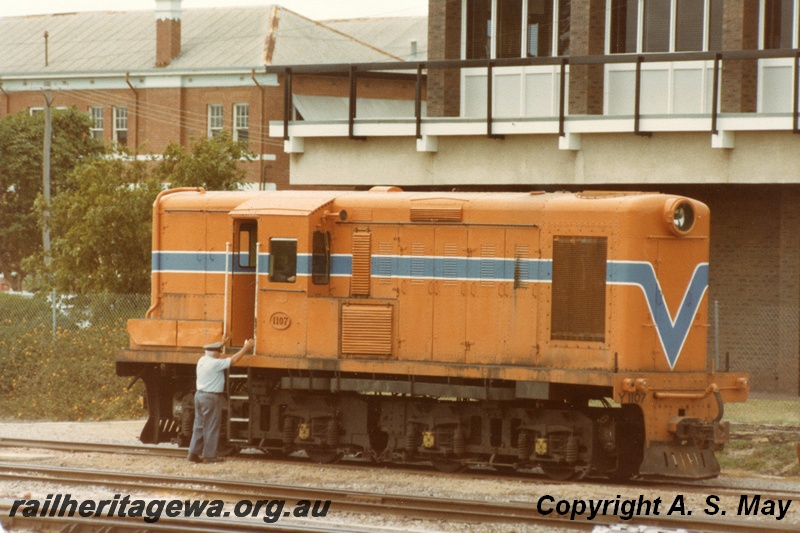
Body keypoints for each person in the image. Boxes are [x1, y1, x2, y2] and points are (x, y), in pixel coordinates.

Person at [187, 337, 254, 464]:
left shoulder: (202, 360)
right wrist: (245, 348)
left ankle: (193, 453)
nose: (220, 354)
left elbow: (214, 353)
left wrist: (221, 343)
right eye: (219, 351)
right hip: (211, 398)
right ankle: (209, 456)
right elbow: (233, 360)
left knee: (199, 426)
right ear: (215, 353)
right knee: (211, 426)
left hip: (199, 396)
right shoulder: (215, 363)